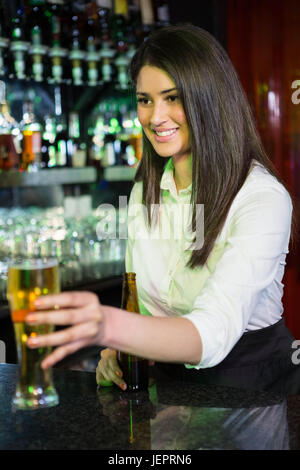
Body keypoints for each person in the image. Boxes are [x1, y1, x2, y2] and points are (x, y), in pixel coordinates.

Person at [26, 24, 297, 393]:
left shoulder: (261, 198)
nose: (155, 117)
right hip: (167, 397)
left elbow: (213, 333)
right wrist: (118, 351)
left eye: (172, 97)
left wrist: (109, 326)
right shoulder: (144, 193)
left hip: (251, 392)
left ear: (209, 99)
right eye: (145, 100)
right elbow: (145, 312)